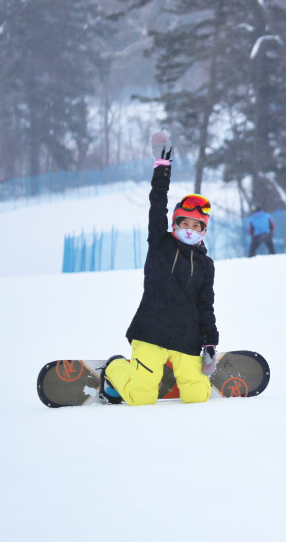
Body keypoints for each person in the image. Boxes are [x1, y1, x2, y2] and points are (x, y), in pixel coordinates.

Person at [99, 135, 219, 405]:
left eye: (196, 225)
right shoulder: (160, 244)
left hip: (186, 336)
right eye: (184, 222)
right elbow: (158, 203)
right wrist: (162, 167)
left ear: (203, 231)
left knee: (198, 397)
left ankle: (177, 375)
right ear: (175, 223)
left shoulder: (205, 265)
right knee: (141, 398)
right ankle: (116, 367)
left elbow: (205, 304)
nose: (189, 229)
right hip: (151, 331)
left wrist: (209, 343)